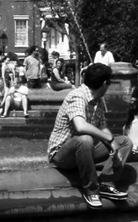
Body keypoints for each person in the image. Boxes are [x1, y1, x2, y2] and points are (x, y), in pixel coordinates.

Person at [48, 62, 132, 209]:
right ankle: (91, 190)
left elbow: (103, 127)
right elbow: (81, 126)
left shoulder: (98, 100)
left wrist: (113, 143)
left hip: (85, 150)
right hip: (62, 155)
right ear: (105, 83)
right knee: (85, 139)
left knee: (125, 142)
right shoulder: (77, 96)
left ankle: (105, 184)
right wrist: (109, 139)